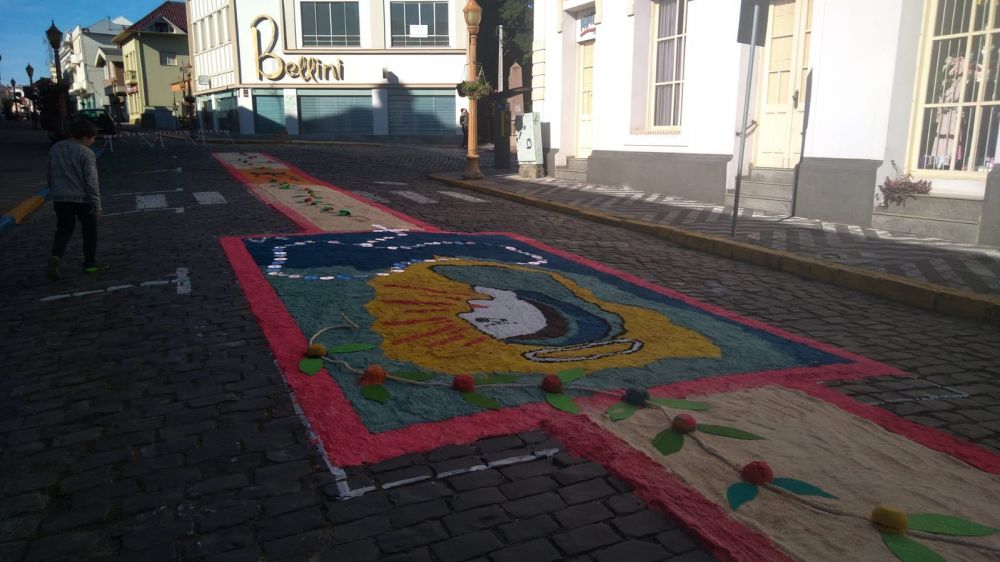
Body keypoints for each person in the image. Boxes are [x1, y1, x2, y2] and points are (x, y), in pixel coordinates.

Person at [46, 119, 106, 281]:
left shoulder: (56, 148)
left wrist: (54, 191)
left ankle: (56, 257)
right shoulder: (86, 153)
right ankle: (90, 263)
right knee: (89, 231)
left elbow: (50, 172)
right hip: (82, 199)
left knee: (63, 230)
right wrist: (97, 204)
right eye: (92, 139)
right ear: (85, 137)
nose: (93, 142)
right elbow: (91, 181)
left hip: (60, 198)